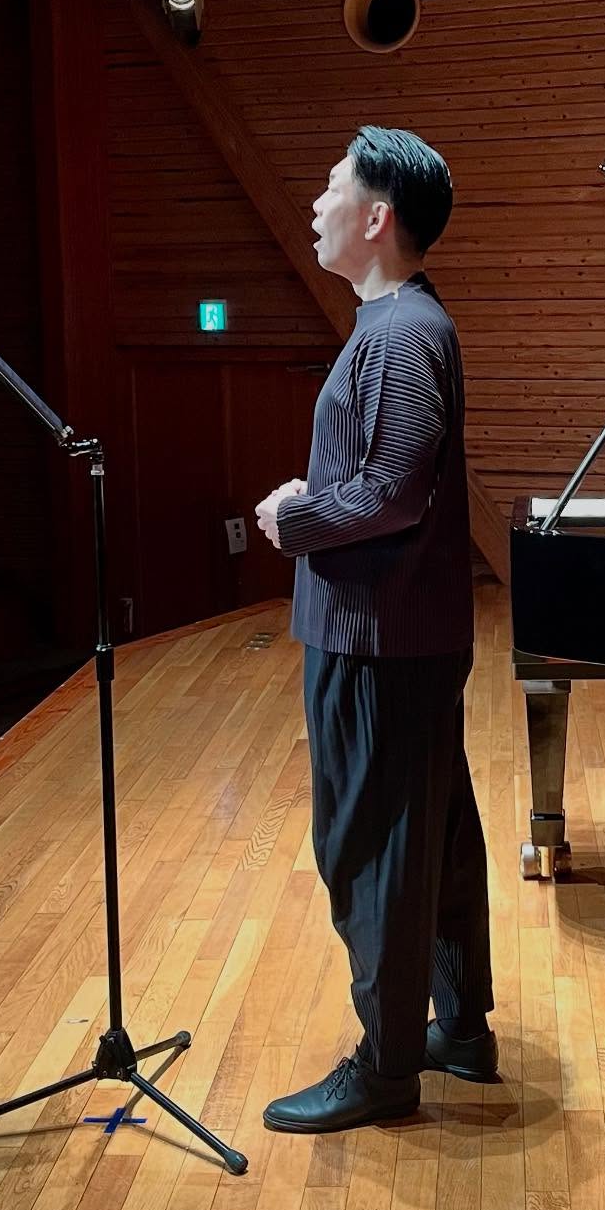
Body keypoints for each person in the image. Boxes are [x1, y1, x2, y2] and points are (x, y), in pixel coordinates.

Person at [253, 127, 495, 1135]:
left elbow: (392, 491)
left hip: (376, 637)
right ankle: (458, 1031)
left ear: (377, 217)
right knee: (433, 838)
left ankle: (388, 1067)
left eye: (331, 187)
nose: (317, 205)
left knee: (370, 852)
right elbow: (393, 478)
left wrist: (295, 517)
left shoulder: (398, 333)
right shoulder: (408, 323)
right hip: (404, 632)